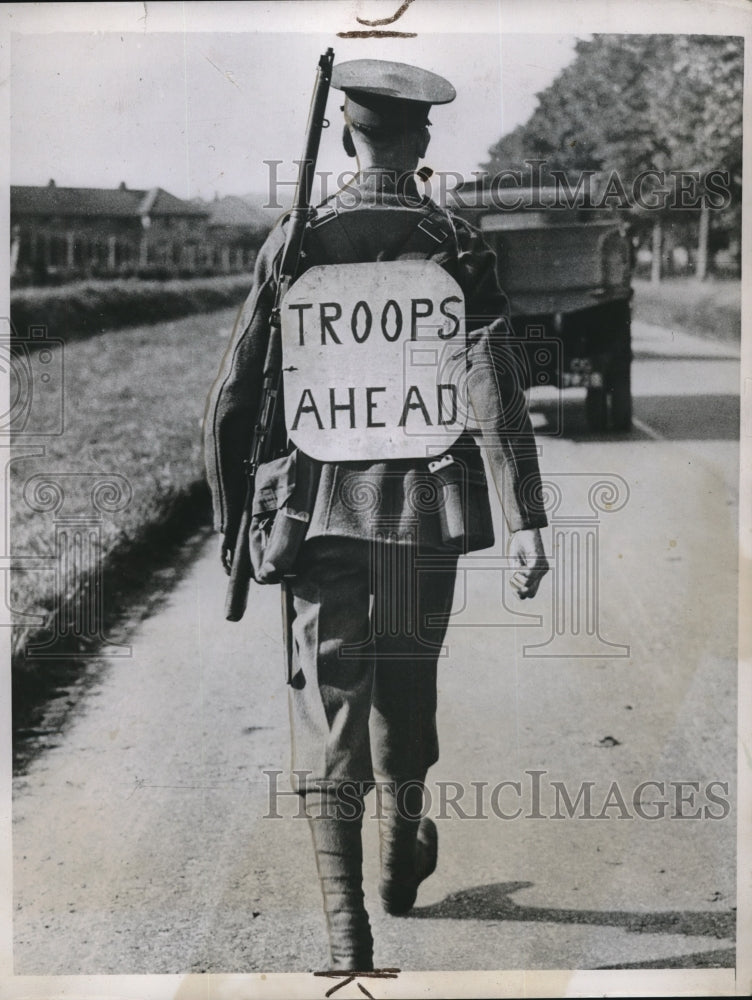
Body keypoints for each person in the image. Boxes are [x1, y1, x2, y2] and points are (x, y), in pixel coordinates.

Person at [204, 58, 548, 972]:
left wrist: (233, 521)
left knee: (333, 711)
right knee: (407, 681)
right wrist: (526, 518)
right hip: (423, 514)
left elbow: (235, 392)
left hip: (316, 518)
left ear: (348, 135)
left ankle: (349, 933)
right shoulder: (456, 241)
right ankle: (402, 856)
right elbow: (493, 384)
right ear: (422, 140)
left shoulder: (297, 239)